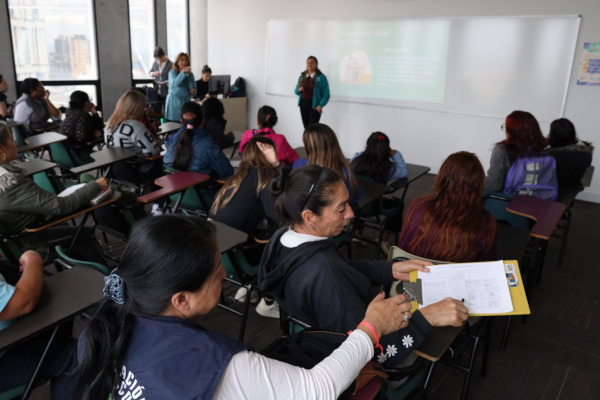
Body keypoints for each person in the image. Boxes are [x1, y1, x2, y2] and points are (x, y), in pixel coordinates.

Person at [76, 214, 413, 400]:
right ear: (182, 300)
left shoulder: (108, 325)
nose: (224, 273)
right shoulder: (213, 361)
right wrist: (370, 328)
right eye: (215, 272)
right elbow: (316, 389)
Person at [257, 165, 468, 367]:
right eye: (341, 209)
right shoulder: (326, 275)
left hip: (316, 331)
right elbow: (376, 350)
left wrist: (389, 270)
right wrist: (427, 317)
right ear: (310, 217)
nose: (350, 213)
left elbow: (342, 267)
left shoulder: (284, 237)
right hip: (359, 357)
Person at [0, 126, 108, 260]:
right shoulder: (10, 183)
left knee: (64, 227)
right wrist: (95, 186)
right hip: (27, 246)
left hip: (10, 244)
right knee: (84, 234)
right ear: (1, 148)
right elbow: (61, 206)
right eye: (11, 140)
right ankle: (109, 280)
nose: (15, 143)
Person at [0, 251, 77, 399]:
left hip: (12, 335)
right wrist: (32, 259)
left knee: (57, 325)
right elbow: (25, 301)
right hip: (7, 348)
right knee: (73, 357)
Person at [399, 152, 497, 263]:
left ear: (441, 178)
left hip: (412, 277)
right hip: (457, 280)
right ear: (478, 185)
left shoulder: (417, 206)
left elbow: (402, 248)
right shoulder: (486, 224)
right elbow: (487, 267)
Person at [211, 136, 282, 235]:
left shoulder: (238, 175)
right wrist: (276, 164)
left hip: (211, 231)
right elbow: (276, 215)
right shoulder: (264, 177)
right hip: (231, 238)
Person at [293, 123, 360, 205]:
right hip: (336, 215)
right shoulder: (345, 171)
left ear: (308, 146)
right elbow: (355, 198)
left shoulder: (298, 165)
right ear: (334, 143)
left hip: (303, 213)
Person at [104, 89, 162, 185]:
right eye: (144, 106)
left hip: (114, 170)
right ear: (138, 108)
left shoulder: (109, 124)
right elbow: (152, 151)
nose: (145, 109)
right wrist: (157, 143)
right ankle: (159, 196)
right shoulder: (136, 126)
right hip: (136, 169)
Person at [163, 101, 233, 178]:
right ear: (203, 120)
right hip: (203, 189)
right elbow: (227, 171)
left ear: (181, 121)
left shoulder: (171, 139)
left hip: (174, 188)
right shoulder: (209, 145)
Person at [484, 110, 548, 192]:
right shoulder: (543, 152)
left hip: (508, 202)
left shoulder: (502, 150)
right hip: (539, 202)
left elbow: (493, 186)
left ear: (511, 131)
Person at [547, 118, 594, 196]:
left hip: (553, 190)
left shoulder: (553, 155)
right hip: (573, 188)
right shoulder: (585, 152)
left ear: (553, 134)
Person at [60, 90, 103, 161]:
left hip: (65, 153)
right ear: (86, 103)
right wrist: (95, 113)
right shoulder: (83, 116)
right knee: (107, 159)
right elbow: (82, 138)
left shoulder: (70, 112)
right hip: (78, 154)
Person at [295, 55, 330, 128]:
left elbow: (326, 94)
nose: (309, 64)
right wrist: (299, 90)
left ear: (316, 64)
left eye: (312, 63)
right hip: (303, 105)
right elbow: (296, 92)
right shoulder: (302, 76)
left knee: (313, 129)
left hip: (314, 106)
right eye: (308, 63)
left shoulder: (321, 77)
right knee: (306, 129)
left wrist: (321, 105)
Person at [164, 52, 196, 122]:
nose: (184, 62)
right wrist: (183, 73)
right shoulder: (172, 72)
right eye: (182, 60)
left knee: (185, 126)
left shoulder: (190, 74)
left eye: (186, 60)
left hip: (186, 103)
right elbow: (176, 83)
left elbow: (194, 88)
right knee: (174, 126)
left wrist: (193, 91)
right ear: (177, 62)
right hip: (174, 103)